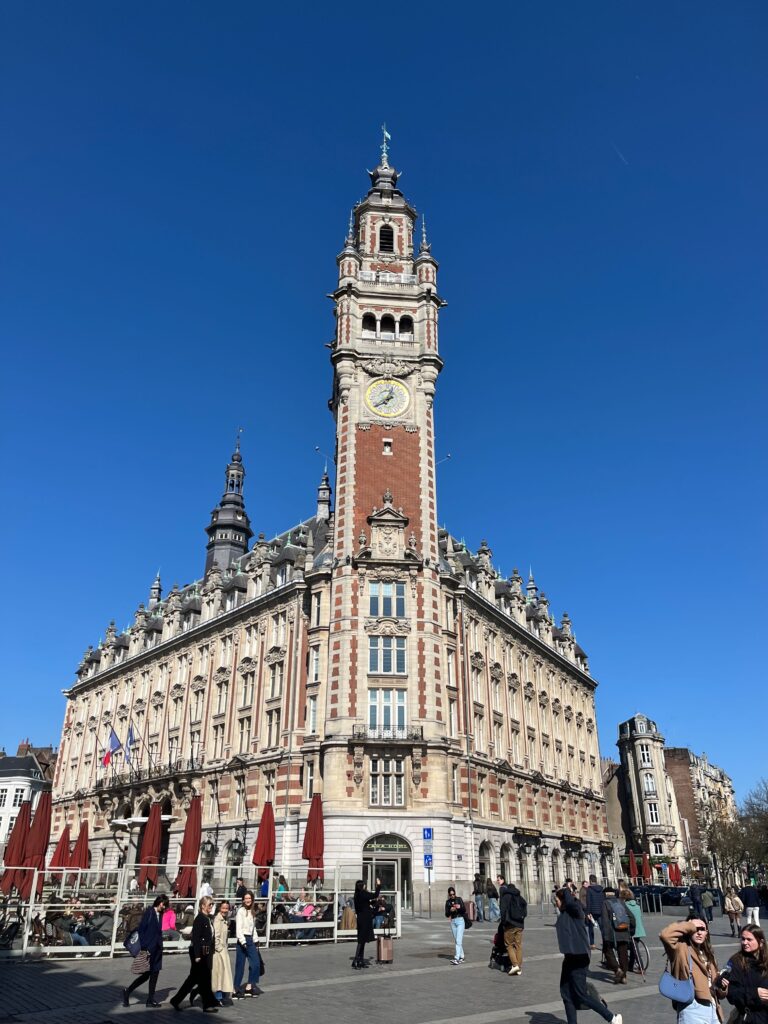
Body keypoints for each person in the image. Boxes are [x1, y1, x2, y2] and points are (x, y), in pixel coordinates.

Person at [555, 886, 622, 1024]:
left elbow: (573, 904)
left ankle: (612, 1017)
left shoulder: (575, 910)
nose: (555, 903)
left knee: (581, 994)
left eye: (556, 900)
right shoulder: (564, 913)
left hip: (579, 957)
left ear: (564, 900)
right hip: (569, 957)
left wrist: (566, 891)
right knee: (566, 993)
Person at [660, 916, 722, 1024]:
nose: (699, 933)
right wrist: (689, 925)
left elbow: (716, 987)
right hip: (692, 1006)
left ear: (706, 932)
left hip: (713, 1006)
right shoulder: (680, 949)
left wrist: (722, 986)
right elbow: (665, 935)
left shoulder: (708, 954)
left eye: (702, 929)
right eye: (695, 929)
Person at [170, 895, 219, 1013]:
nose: (211, 906)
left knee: (194, 978)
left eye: (212, 904)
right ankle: (207, 1004)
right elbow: (196, 938)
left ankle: (176, 1000)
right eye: (209, 904)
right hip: (199, 952)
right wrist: (197, 955)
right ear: (203, 906)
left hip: (205, 952)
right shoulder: (199, 919)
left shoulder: (207, 918)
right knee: (204, 978)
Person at [123, 893, 169, 1008]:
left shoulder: (160, 914)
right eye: (164, 905)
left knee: (155, 974)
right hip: (149, 949)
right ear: (160, 903)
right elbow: (142, 930)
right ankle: (128, 991)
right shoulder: (149, 912)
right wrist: (145, 947)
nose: (164, 907)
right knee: (146, 975)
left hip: (157, 949)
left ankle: (150, 1000)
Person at [722, 925, 768, 1024]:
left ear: (761, 942)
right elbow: (731, 994)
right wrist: (755, 994)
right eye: (743, 939)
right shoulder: (735, 961)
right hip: (747, 1018)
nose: (745, 942)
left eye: (749, 939)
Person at [601, 885, 632, 984]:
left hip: (612, 933)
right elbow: (631, 916)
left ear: (605, 894)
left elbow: (605, 921)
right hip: (624, 931)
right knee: (623, 954)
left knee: (607, 951)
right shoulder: (621, 902)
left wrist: (606, 936)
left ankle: (617, 969)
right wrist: (631, 930)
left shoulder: (605, 903)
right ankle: (624, 976)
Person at [498, 874, 527, 976]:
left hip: (510, 924)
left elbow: (502, 911)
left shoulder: (506, 896)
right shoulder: (519, 896)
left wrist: (503, 922)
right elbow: (525, 906)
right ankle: (519, 967)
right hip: (520, 924)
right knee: (518, 945)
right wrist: (522, 917)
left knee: (509, 945)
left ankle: (515, 965)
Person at [233, 890, 261, 997]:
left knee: (256, 964)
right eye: (246, 898)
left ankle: (249, 986)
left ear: (252, 899)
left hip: (250, 940)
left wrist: (256, 940)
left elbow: (253, 928)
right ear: (243, 900)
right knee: (240, 966)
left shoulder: (252, 912)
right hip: (242, 940)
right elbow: (239, 928)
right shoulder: (241, 911)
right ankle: (235, 989)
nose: (248, 900)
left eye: (249, 898)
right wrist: (243, 941)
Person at [352, 876, 381, 969]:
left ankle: (360, 960)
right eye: (364, 885)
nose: (365, 886)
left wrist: (373, 903)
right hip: (365, 918)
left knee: (363, 939)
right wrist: (378, 886)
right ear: (362, 886)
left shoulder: (357, 895)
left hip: (361, 918)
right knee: (361, 940)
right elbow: (375, 895)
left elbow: (366, 904)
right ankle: (355, 960)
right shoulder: (363, 893)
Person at [212, 900, 235, 1006]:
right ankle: (218, 997)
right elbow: (215, 936)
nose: (225, 910)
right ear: (219, 908)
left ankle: (222, 996)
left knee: (223, 975)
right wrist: (220, 949)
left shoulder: (225, 920)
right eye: (223, 908)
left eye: (227, 908)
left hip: (223, 950)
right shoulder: (218, 920)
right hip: (219, 952)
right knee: (219, 976)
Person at [623, 887, 646, 973]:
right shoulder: (637, 906)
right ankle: (630, 965)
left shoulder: (625, 906)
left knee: (635, 950)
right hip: (639, 930)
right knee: (634, 948)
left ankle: (641, 967)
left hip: (631, 930)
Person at [445, 886, 467, 966]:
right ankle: (462, 956)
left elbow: (464, 910)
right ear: (449, 895)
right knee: (457, 940)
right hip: (453, 922)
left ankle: (457, 958)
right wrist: (450, 910)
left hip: (460, 920)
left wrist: (458, 907)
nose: (452, 896)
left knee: (458, 940)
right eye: (451, 895)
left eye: (453, 894)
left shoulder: (459, 899)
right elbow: (446, 914)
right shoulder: (448, 902)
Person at [586, 874, 606, 951]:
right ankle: (605, 942)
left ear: (590, 881)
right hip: (600, 911)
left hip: (592, 911)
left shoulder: (589, 889)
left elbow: (588, 902)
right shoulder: (601, 889)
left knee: (591, 928)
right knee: (602, 928)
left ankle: (592, 944)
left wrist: (588, 913)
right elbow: (603, 900)